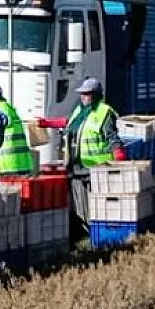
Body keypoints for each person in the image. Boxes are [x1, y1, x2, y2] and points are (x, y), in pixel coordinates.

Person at [35, 77, 125, 238]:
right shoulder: (80, 111)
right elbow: (68, 122)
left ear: (96, 95)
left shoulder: (104, 112)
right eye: (82, 94)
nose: (83, 97)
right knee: (78, 206)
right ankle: (82, 233)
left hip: (95, 169)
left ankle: (96, 236)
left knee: (95, 207)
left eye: (87, 94)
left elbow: (113, 138)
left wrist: (119, 158)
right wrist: (48, 123)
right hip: (76, 168)